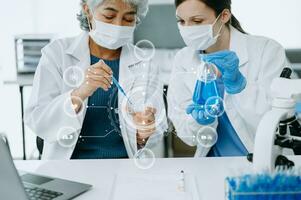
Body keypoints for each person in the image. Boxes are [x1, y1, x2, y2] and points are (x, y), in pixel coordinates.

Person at [25, 0, 167, 160]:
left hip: (124, 167)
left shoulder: (145, 63)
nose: (118, 25)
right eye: (109, 16)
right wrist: (79, 94)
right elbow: (38, 120)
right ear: (88, 11)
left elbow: (157, 131)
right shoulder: (56, 54)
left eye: (128, 19)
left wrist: (143, 132)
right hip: (69, 168)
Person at [168, 0, 288, 157]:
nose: (187, 29)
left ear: (224, 16)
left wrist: (239, 86)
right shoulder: (183, 59)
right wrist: (198, 122)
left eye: (197, 21)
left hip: (260, 161)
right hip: (212, 164)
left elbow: (279, 124)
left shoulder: (266, 50)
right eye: (182, 21)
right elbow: (187, 135)